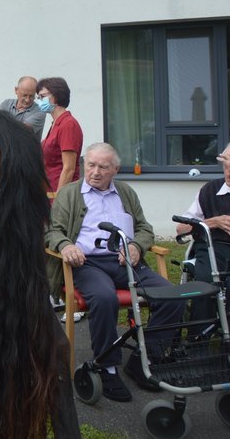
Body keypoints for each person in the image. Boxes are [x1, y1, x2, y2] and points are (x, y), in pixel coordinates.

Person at [46, 142, 184, 403]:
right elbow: (53, 231)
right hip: (87, 264)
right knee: (104, 297)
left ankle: (144, 360)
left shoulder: (125, 192)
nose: (95, 172)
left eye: (103, 167)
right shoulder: (70, 194)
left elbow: (144, 228)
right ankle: (106, 367)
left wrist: (136, 246)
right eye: (91, 165)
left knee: (170, 296)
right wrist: (65, 246)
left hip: (125, 264)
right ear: (84, 165)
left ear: (115, 170)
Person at [176, 140, 230, 334]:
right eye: (225, 167)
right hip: (213, 248)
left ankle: (229, 347)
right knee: (206, 281)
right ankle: (198, 344)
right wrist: (213, 222)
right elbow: (181, 228)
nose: (228, 174)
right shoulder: (210, 190)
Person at [36, 77, 83, 200]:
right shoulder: (56, 123)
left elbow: (68, 169)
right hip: (50, 192)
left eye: (42, 97)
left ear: (55, 96)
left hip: (62, 197)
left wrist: (59, 200)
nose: (39, 101)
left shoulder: (68, 124)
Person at [0, 75, 46, 140]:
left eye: (31, 96)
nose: (27, 100)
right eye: (24, 95)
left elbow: (21, 132)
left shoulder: (40, 111)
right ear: (16, 90)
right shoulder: (6, 103)